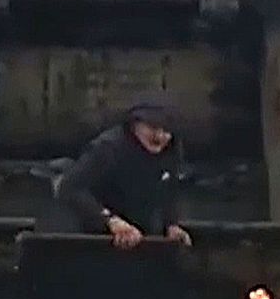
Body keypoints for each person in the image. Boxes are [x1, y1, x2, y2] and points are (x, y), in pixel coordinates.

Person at [51, 93, 192, 249]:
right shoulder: (108, 148)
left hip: (141, 236)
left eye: (166, 130)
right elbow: (70, 188)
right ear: (134, 124)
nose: (159, 136)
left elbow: (169, 190)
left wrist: (171, 224)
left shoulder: (172, 151)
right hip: (91, 238)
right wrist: (110, 220)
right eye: (152, 128)